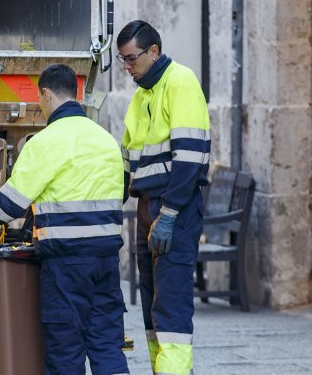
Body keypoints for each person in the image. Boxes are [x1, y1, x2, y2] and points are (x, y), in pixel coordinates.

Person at [0, 63, 129, 375]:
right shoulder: (107, 140)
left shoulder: (44, 142)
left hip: (66, 266)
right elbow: (122, 192)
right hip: (106, 261)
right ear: (76, 94)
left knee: (65, 352)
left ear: (46, 94)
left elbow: (10, 205)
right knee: (107, 345)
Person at [116, 20, 210, 375]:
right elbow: (128, 158)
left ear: (153, 52)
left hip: (174, 209)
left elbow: (190, 157)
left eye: (131, 59)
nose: (127, 67)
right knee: (152, 306)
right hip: (147, 208)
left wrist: (168, 214)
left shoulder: (180, 82)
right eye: (122, 60)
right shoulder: (142, 95)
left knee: (170, 307)